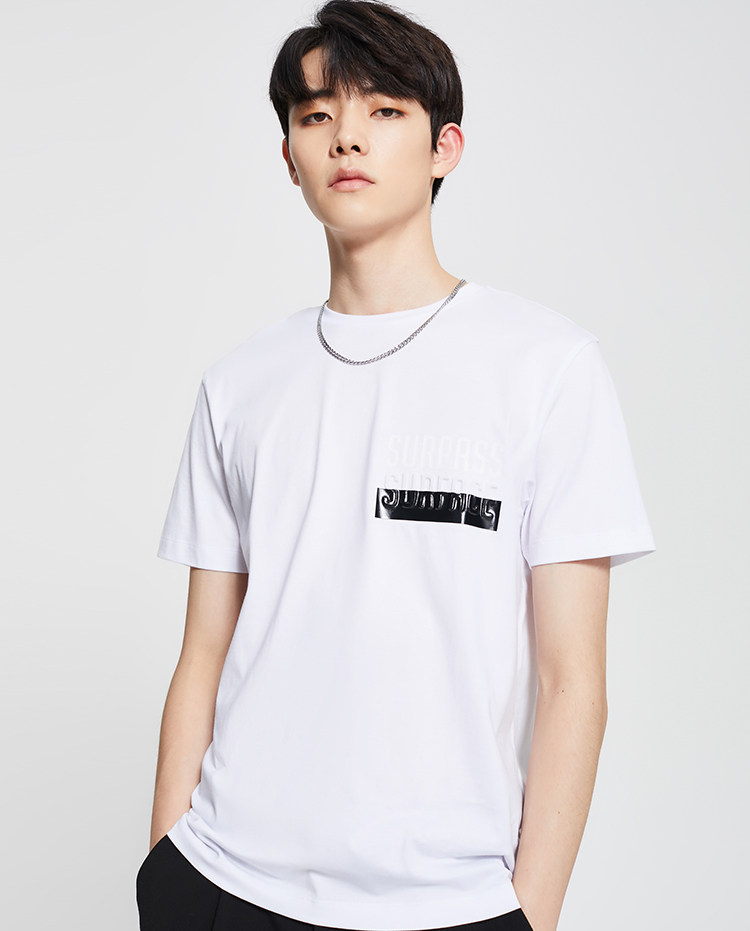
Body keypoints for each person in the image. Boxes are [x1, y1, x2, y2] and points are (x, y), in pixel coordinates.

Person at [136, 2, 656, 930]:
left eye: (383, 110)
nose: (346, 137)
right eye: (316, 115)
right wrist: (165, 864)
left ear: (444, 147)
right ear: (289, 157)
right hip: (222, 881)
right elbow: (203, 651)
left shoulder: (547, 368)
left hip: (450, 901)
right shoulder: (239, 384)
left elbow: (572, 680)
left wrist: (530, 913)